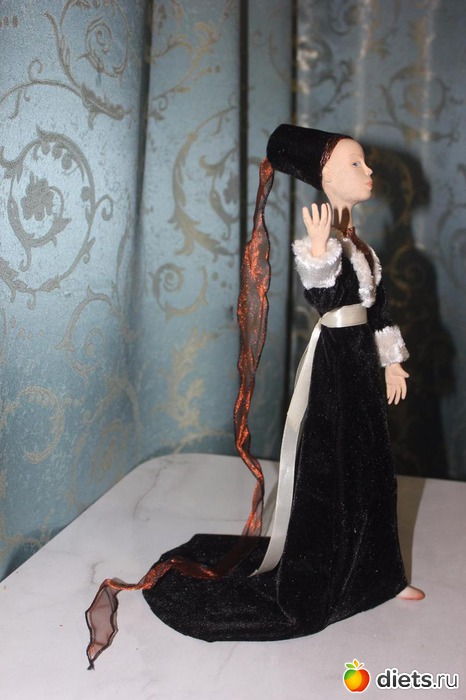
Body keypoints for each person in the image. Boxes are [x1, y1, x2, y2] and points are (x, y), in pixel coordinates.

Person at [85, 125, 423, 669]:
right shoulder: (324, 243)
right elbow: (325, 298)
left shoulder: (362, 246)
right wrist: (319, 253)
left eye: (365, 163)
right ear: (326, 177)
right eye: (355, 165)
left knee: (375, 469)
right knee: (331, 468)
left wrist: (393, 361)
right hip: (336, 366)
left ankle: (381, 576)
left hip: (362, 364)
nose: (369, 172)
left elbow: (377, 309)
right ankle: (324, 572)